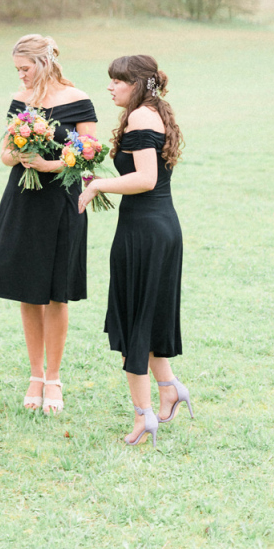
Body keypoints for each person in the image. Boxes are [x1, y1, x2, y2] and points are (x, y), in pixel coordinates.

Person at [0, 34, 97, 414]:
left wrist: (51, 164)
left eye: (24, 68)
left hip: (62, 199)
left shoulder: (78, 100)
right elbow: (6, 153)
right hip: (24, 200)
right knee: (28, 289)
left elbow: (89, 153)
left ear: (43, 62)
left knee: (57, 292)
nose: (20, 76)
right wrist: (20, 155)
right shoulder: (19, 102)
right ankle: (35, 375)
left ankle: (54, 378)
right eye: (17, 70)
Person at [79, 54, 192, 447]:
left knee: (135, 324)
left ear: (140, 84)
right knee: (146, 316)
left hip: (145, 231)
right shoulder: (150, 112)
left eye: (117, 81)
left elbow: (145, 178)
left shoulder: (142, 117)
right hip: (156, 227)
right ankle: (168, 389)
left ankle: (144, 417)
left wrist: (97, 186)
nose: (110, 87)